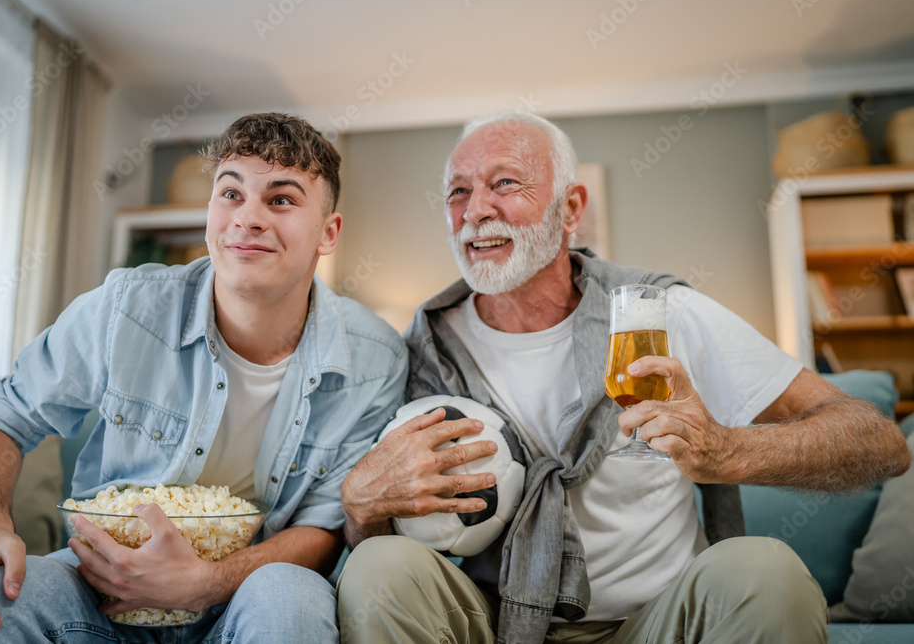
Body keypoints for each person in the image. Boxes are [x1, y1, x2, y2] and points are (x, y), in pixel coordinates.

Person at [337, 111, 911, 644]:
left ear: (570, 208)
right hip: (490, 621)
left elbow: (878, 441)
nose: (476, 209)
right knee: (377, 565)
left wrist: (728, 451)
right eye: (458, 191)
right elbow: (387, 540)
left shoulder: (660, 312)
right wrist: (363, 511)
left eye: (505, 183)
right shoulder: (422, 347)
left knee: (766, 570)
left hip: (656, 623)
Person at [0, 113, 407, 644]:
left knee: (289, 598)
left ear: (328, 232)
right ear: (209, 211)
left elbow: (325, 527)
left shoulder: (376, 360)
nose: (247, 218)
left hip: (246, 595)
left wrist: (206, 582)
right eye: (230, 193)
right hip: (101, 583)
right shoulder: (125, 309)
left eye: (282, 199)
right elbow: (3, 417)